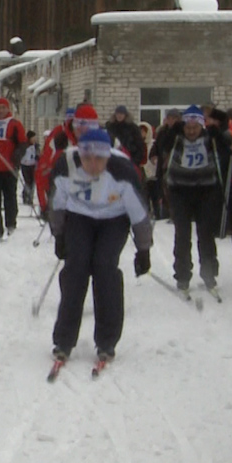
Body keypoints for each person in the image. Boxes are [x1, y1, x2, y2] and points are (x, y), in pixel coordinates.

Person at [48, 129, 153, 365]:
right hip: (79, 217)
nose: (93, 164)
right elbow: (56, 204)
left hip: (114, 220)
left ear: (109, 156)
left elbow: (139, 214)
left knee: (104, 266)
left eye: (99, 159)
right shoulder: (66, 166)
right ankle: (64, 339)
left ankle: (107, 340)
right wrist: (59, 235)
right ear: (79, 155)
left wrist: (143, 249)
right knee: (76, 267)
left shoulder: (123, 172)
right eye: (87, 158)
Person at [161, 105, 231, 292]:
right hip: (180, 191)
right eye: (188, 127)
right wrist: (173, 130)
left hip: (206, 191)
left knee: (205, 233)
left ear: (202, 126)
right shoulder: (177, 138)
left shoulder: (210, 138)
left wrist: (218, 134)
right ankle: (182, 275)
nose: (191, 131)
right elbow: (162, 146)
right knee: (182, 234)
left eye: (195, 127)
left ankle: (209, 274)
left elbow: (226, 151)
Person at [0, 98, 28, 235]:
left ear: (8, 108)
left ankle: (10, 222)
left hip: (9, 166)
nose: (0, 111)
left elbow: (23, 143)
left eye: (3, 108)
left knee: (10, 196)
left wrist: (17, 154)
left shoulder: (15, 124)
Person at [19, 132, 39, 205]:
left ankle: (30, 198)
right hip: (25, 165)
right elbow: (20, 154)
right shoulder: (24, 145)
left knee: (32, 182)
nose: (34, 139)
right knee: (27, 181)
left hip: (33, 165)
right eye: (33, 137)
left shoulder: (36, 146)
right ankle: (26, 196)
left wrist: (38, 157)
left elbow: (38, 153)